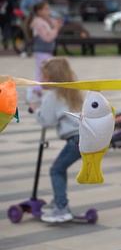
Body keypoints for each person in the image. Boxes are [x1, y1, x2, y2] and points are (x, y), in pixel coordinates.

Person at [31, 58, 83, 222]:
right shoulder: (72, 92)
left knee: (56, 170)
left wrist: (36, 111)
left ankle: (61, 207)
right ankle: (59, 200)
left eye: (44, 76)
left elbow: (47, 121)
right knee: (60, 168)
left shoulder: (53, 96)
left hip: (76, 139)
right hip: (86, 137)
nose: (40, 79)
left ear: (53, 77)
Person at [29, 1, 62, 86]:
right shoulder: (38, 23)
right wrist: (56, 29)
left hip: (46, 51)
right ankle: (35, 91)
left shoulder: (44, 21)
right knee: (42, 73)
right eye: (46, 9)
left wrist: (55, 24)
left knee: (43, 72)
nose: (49, 11)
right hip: (41, 51)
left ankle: (37, 91)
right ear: (39, 11)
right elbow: (47, 38)